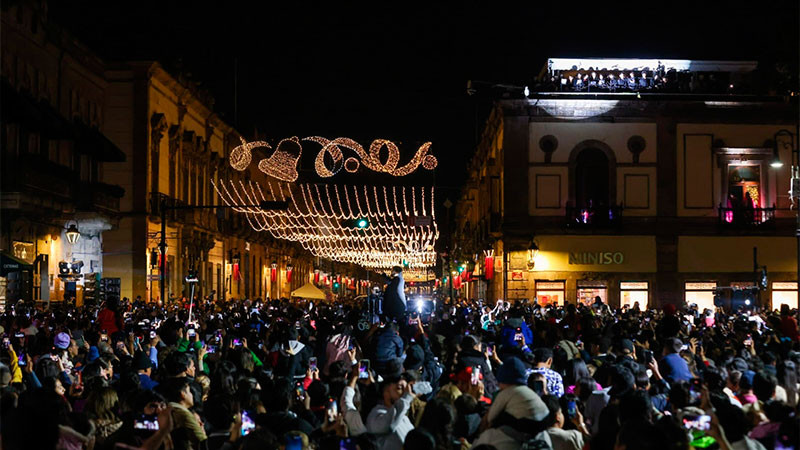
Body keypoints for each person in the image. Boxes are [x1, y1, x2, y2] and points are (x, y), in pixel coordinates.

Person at [366, 374, 415, 450]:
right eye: (399, 388)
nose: (405, 392)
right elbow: (388, 426)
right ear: (386, 391)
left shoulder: (403, 417)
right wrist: (406, 399)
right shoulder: (376, 414)